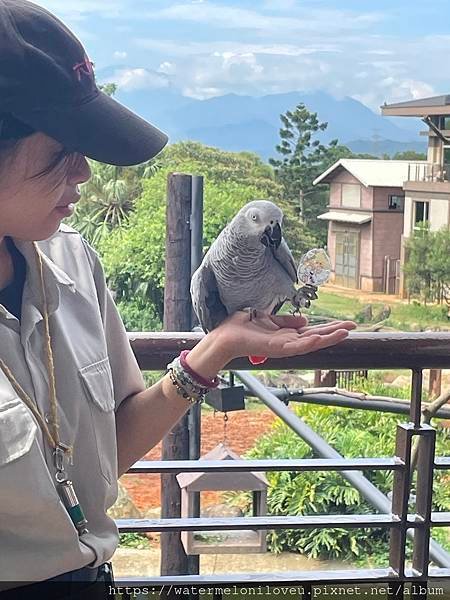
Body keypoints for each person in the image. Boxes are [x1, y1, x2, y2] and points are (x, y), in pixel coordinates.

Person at [0, 1, 356, 598]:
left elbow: (103, 454)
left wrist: (213, 352)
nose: (84, 173)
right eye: (64, 149)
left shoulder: (73, 264)